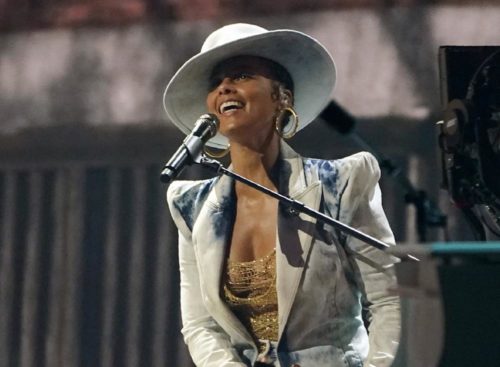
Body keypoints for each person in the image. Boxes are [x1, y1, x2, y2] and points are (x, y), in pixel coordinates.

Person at [163, 23, 400, 367]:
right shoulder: (192, 207)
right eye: (216, 83)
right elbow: (202, 326)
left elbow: (390, 300)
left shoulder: (341, 183)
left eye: (241, 75)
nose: (225, 87)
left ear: (282, 96)